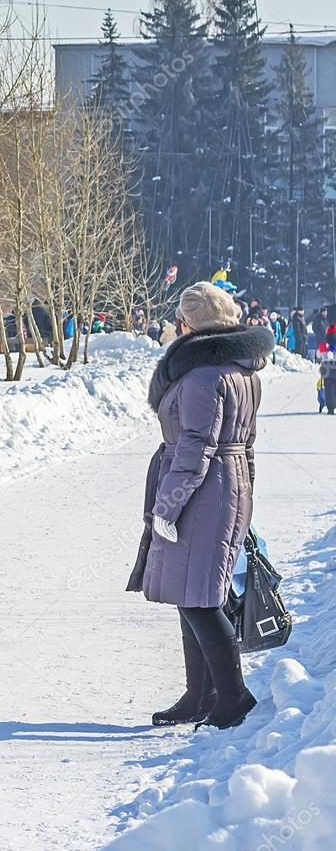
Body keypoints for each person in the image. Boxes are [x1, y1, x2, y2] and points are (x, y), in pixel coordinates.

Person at [128, 281, 275, 730]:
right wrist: (243, 495)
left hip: (202, 491)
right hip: (224, 488)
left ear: (191, 325)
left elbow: (195, 448)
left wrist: (167, 507)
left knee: (201, 599)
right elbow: (244, 446)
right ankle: (201, 693)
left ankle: (232, 697)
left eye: (180, 320)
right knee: (191, 592)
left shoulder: (203, 377)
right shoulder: (238, 369)